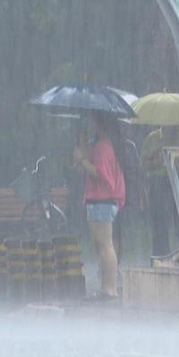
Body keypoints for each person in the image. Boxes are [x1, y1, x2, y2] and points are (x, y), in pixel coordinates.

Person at [72, 111, 126, 301]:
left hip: (103, 200)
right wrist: (84, 149)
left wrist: (82, 160)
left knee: (105, 244)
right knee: (99, 245)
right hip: (96, 200)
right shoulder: (100, 145)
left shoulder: (103, 147)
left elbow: (100, 174)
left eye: (93, 122)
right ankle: (105, 286)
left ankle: (109, 288)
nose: (91, 125)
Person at [141, 125, 179, 256]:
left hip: (178, 179)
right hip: (158, 180)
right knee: (159, 222)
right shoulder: (152, 139)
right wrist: (157, 162)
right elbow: (143, 165)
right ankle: (160, 255)